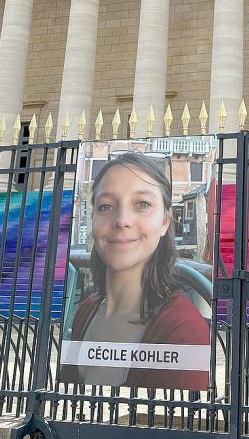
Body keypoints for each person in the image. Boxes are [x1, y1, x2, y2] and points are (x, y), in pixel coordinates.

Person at [61, 152, 209, 390]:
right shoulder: (87, 309)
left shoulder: (183, 330)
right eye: (106, 206)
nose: (122, 220)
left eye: (142, 204)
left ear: (165, 222)